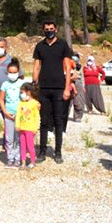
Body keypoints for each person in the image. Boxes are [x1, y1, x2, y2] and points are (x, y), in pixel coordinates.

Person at [32, 20, 72, 164]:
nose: (49, 30)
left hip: (59, 88)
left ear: (56, 29)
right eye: (46, 29)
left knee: (58, 121)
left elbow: (68, 68)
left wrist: (67, 88)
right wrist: (34, 86)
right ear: (43, 30)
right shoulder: (39, 46)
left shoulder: (63, 45)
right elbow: (36, 67)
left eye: (51, 28)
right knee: (43, 121)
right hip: (43, 88)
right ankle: (42, 152)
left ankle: (58, 152)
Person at [0, 58, 25, 169]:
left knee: (18, 138)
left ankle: (18, 158)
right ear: (7, 72)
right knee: (9, 138)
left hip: (20, 115)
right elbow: (1, 100)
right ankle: (10, 158)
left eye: (15, 72)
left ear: (18, 72)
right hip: (8, 115)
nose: (12, 74)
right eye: (10, 72)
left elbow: (26, 99)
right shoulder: (5, 84)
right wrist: (5, 112)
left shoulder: (22, 83)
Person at [15, 83, 40, 170]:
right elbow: (18, 115)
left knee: (30, 146)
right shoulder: (21, 103)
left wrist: (35, 128)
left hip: (30, 129)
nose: (21, 94)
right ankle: (23, 163)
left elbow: (36, 117)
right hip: (22, 128)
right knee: (23, 146)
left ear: (28, 92)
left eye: (22, 92)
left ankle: (33, 162)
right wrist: (17, 125)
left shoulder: (35, 103)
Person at [70, 52, 87, 122]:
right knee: (68, 100)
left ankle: (77, 116)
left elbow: (82, 76)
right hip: (70, 81)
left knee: (79, 100)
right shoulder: (68, 64)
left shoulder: (80, 66)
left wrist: (83, 86)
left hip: (78, 82)